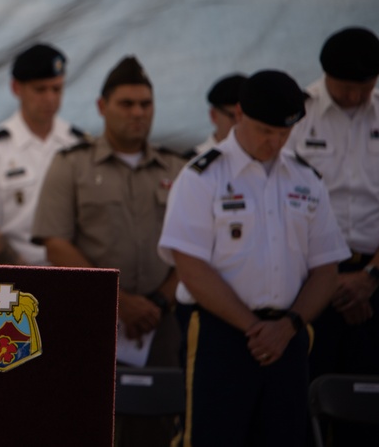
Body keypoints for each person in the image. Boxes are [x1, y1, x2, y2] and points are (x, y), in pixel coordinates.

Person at [158, 70, 350, 447]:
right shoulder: (202, 176)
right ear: (239, 114)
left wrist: (288, 326)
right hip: (222, 335)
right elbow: (191, 268)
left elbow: (326, 267)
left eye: (284, 133)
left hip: (289, 332)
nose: (275, 141)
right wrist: (254, 328)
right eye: (265, 130)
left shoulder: (305, 177)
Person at [32, 55, 186, 447]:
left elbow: (193, 247)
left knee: (156, 427)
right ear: (102, 107)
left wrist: (158, 304)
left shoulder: (178, 168)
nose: (138, 113)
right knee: (90, 424)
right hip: (94, 323)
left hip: (160, 325)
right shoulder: (72, 164)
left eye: (145, 104)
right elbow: (55, 243)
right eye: (126, 104)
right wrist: (119, 302)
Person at [285, 26, 379, 445]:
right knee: (307, 399)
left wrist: (369, 278)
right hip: (311, 280)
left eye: (366, 86)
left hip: (374, 277)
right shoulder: (297, 115)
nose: (357, 97)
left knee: (368, 406)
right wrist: (330, 280)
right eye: (346, 88)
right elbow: (284, 205)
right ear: (326, 77)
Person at [0, 43, 86, 265]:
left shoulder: (80, 145)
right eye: (40, 89)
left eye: (57, 89)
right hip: (9, 280)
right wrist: (28, 276)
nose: (50, 98)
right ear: (16, 88)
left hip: (73, 275)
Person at [189, 73, 246, 157]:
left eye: (248, 118)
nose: (243, 124)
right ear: (214, 115)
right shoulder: (191, 163)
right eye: (234, 116)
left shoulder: (267, 162)